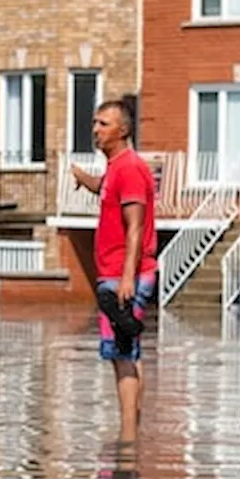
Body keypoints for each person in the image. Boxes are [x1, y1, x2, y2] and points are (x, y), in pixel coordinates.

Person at [71, 100, 157, 442]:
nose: (95, 130)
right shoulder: (115, 168)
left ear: (122, 130)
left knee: (120, 353)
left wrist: (126, 278)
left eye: (103, 124)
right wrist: (83, 178)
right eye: (94, 123)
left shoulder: (130, 169)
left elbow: (134, 227)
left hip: (125, 275)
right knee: (128, 351)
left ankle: (127, 440)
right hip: (116, 272)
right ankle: (132, 427)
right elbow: (106, 190)